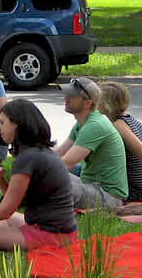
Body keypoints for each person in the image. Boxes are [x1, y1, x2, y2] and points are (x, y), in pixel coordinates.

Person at [0, 99, 78, 251]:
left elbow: (6, 211)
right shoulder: (38, 152)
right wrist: (0, 180)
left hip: (52, 236)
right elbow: (14, 201)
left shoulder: (28, 158)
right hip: (60, 231)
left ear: (17, 125)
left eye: (2, 123)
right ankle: (1, 236)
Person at [55, 76, 128, 209]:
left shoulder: (95, 125)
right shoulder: (81, 123)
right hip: (90, 185)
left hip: (108, 197)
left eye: (71, 95)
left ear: (87, 103)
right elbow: (59, 153)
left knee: (53, 182)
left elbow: (65, 164)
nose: (66, 97)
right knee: (42, 176)